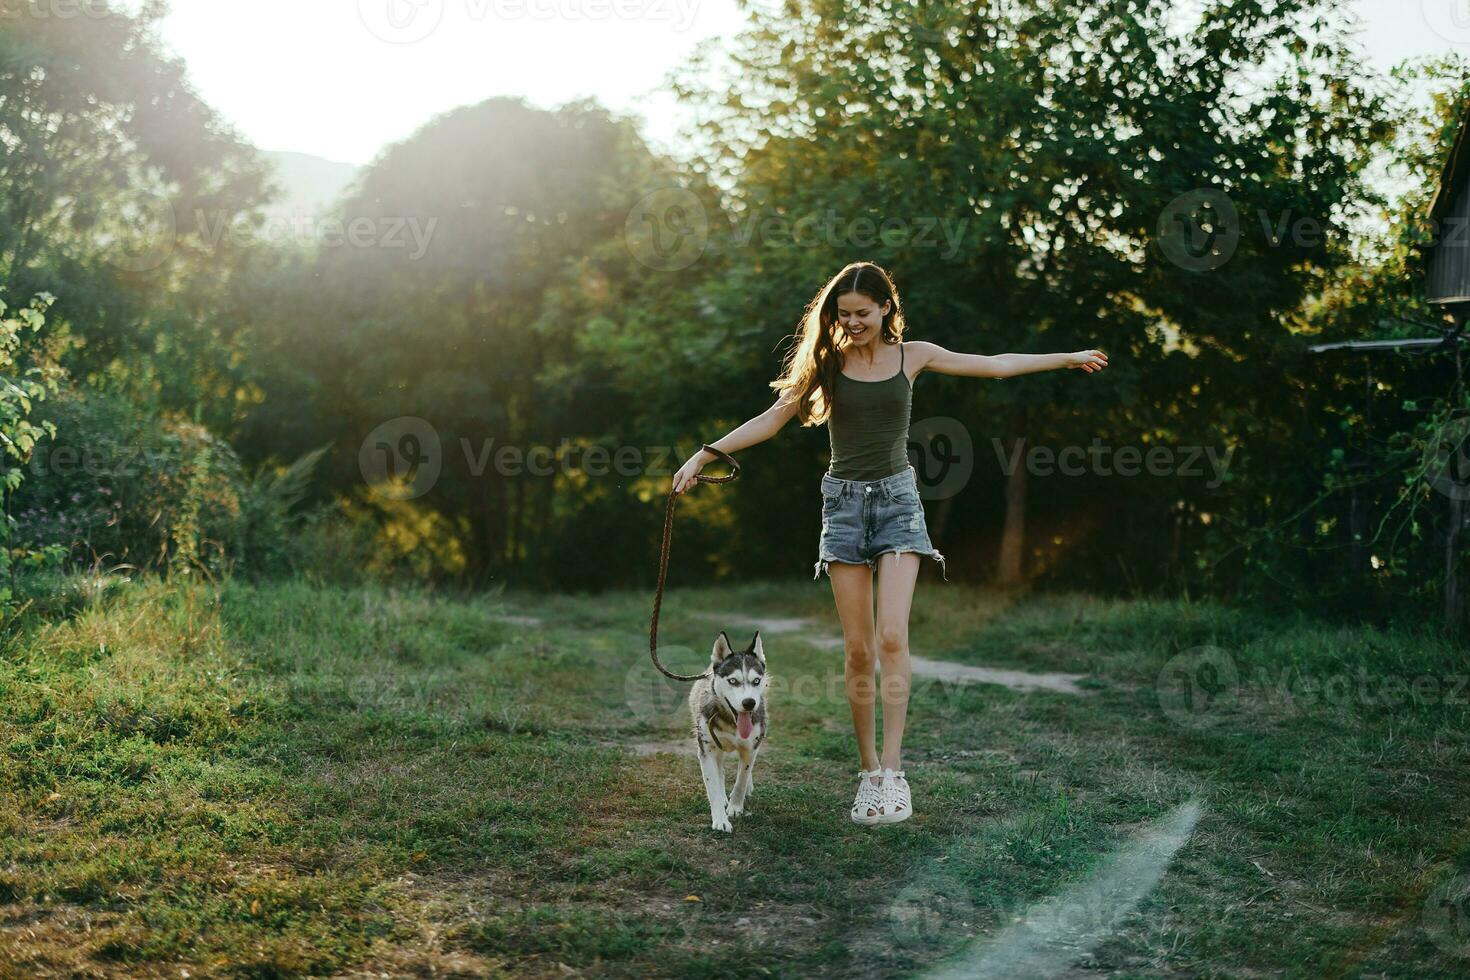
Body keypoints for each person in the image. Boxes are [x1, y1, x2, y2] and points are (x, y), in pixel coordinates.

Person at [671, 261, 1108, 825]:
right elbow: (773, 418)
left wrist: (1068, 357)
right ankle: (869, 773)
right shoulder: (828, 364)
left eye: (862, 314)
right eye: (842, 315)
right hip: (845, 507)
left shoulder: (913, 355)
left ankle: (895, 774)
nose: (852, 324)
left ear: (885, 309)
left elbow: (995, 366)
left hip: (899, 502)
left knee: (893, 637)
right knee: (858, 651)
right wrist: (705, 453)